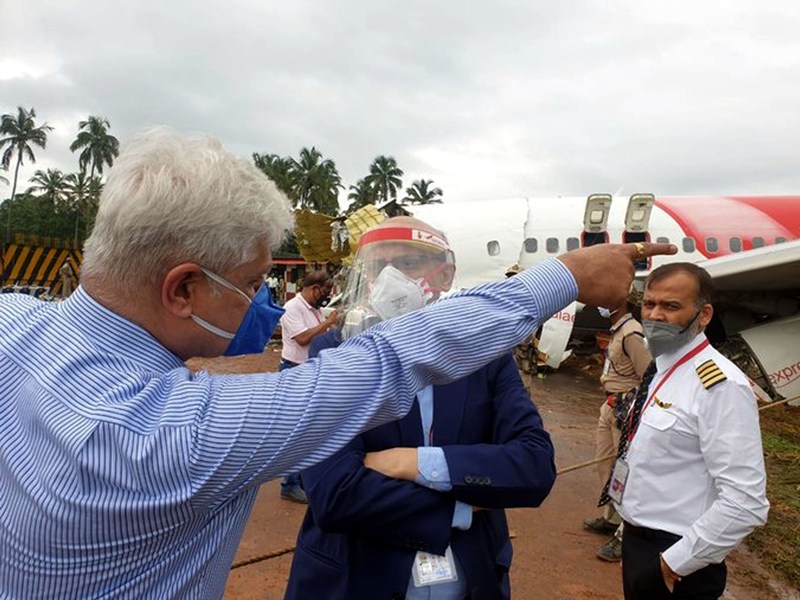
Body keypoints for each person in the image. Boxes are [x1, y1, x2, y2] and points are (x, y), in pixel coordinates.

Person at [0, 126, 673, 599]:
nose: (257, 306)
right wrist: (566, 275)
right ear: (182, 288)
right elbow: (389, 365)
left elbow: (529, 463)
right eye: (248, 286)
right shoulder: (183, 431)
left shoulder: (15, 323)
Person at [285, 217, 556, 599]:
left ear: (446, 276)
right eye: (380, 266)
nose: (392, 277)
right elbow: (334, 492)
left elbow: (535, 467)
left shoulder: (485, 355)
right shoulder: (335, 352)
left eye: (410, 264)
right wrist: (464, 503)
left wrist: (411, 462)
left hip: (470, 582)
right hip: (358, 581)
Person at [613, 263, 769, 600]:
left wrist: (672, 565)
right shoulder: (662, 366)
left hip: (679, 557)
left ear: (704, 314)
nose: (655, 315)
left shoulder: (719, 385)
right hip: (639, 542)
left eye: (671, 306)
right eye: (649, 304)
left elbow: (746, 502)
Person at [584, 295, 651, 562]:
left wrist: (633, 409)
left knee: (625, 471)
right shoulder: (618, 330)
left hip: (625, 407)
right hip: (610, 404)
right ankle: (611, 518)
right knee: (605, 463)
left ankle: (625, 536)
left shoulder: (631, 333)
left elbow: (647, 374)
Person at [278, 270, 337, 502]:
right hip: (294, 371)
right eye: (324, 292)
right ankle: (290, 484)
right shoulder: (292, 308)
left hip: (310, 371)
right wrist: (329, 323)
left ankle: (302, 480)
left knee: (311, 429)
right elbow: (302, 338)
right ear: (314, 288)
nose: (326, 296)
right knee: (297, 430)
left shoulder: (315, 309)